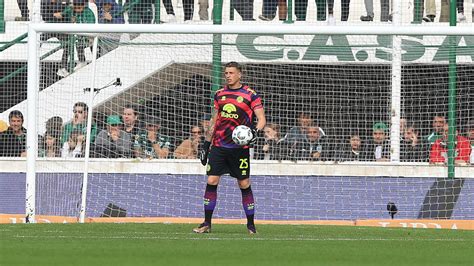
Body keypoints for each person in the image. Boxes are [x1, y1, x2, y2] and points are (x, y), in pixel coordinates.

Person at [194, 61, 266, 234]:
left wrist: (255, 132)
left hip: (239, 149)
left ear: (239, 74)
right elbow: (214, 120)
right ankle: (206, 223)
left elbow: (261, 119)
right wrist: (206, 144)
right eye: (226, 73)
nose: (227, 75)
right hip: (219, 146)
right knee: (212, 180)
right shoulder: (219, 94)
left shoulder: (250, 95)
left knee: (244, 183)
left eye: (231, 73)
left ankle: (250, 225)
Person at [55, 0, 95, 77]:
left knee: (85, 44)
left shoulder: (88, 12)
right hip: (76, 36)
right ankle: (64, 67)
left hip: (88, 36)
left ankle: (88, 61)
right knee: (69, 46)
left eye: (79, 8)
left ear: (83, 6)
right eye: (75, 8)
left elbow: (91, 26)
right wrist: (61, 14)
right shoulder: (71, 9)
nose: (76, 10)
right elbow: (62, 13)